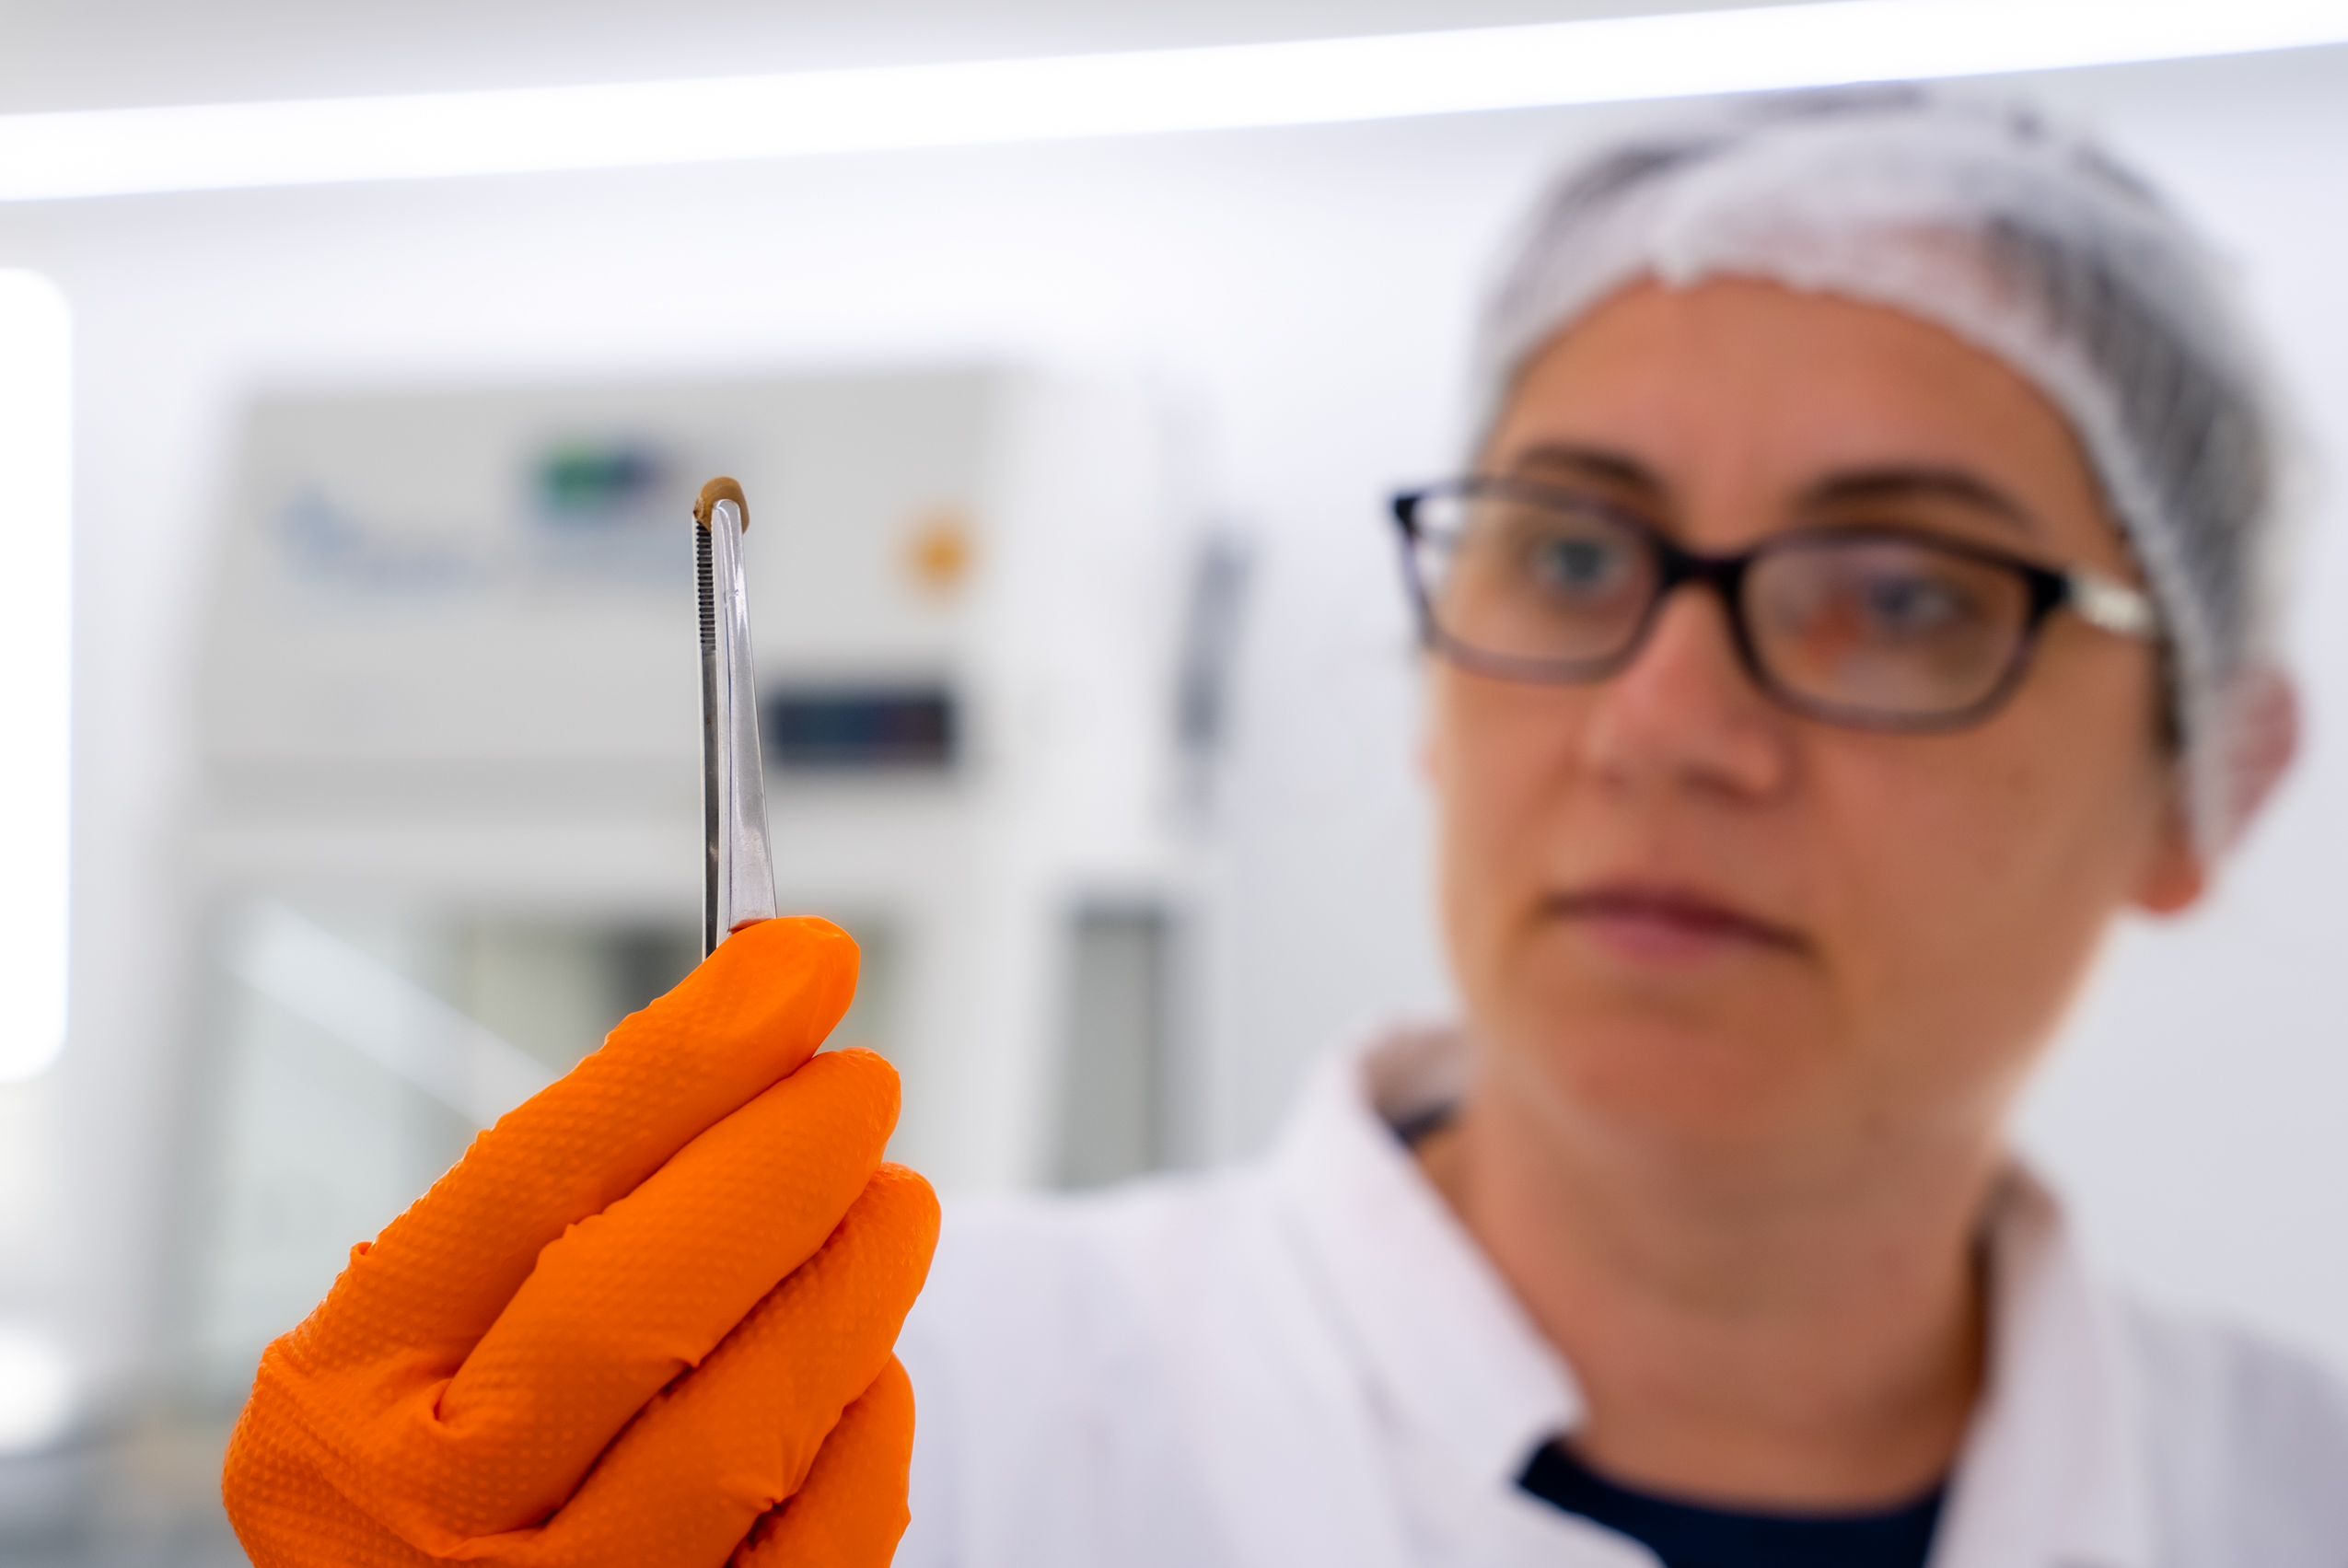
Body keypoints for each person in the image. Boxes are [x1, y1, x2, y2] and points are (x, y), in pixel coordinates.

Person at [220, 88, 2348, 1568]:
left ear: (2207, 785)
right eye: (1576, 560)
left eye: (1902, 595)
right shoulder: (854, 1442)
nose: (1663, 724)